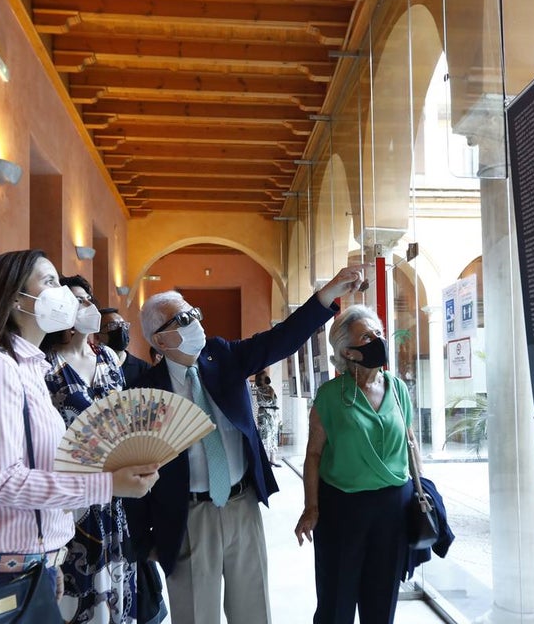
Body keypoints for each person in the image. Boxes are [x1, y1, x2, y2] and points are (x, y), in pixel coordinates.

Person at [0, 250, 159, 624]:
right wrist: (107, 484)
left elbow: (39, 469)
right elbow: (2, 482)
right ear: (16, 299)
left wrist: (51, 557)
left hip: (28, 569)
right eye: (50, 282)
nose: (63, 292)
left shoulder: (31, 368)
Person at [127, 264, 367, 624]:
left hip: (242, 505)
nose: (195, 322)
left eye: (194, 313)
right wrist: (144, 542)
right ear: (160, 341)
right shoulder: (145, 393)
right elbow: (131, 467)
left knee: (253, 611)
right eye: (182, 319)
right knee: (196, 616)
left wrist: (328, 295)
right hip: (187, 517)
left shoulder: (222, 356)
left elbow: (280, 339)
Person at [293, 304, 420, 624]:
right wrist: (311, 507)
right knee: (336, 601)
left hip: (394, 507)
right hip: (342, 509)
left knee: (381, 602)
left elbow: (410, 441)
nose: (378, 339)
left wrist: (421, 489)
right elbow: (313, 455)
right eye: (367, 336)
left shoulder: (398, 388)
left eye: (378, 332)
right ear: (348, 352)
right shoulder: (330, 396)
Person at [41, 275, 142, 624]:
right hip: (70, 499)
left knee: (116, 593)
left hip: (114, 497)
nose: (86, 307)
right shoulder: (46, 366)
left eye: (87, 299)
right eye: (76, 301)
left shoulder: (110, 360)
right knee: (75, 594)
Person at [93, 307, 152, 388]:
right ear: (97, 336)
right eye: (113, 325)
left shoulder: (144, 369)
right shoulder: (93, 367)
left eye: (124, 325)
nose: (120, 329)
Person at [251, 368, 281, 467]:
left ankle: (273, 459)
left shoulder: (268, 388)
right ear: (261, 379)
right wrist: (271, 393)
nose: (267, 377)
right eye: (265, 376)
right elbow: (268, 400)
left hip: (272, 414)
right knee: (264, 436)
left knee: (273, 436)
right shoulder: (261, 389)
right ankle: (264, 460)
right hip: (264, 414)